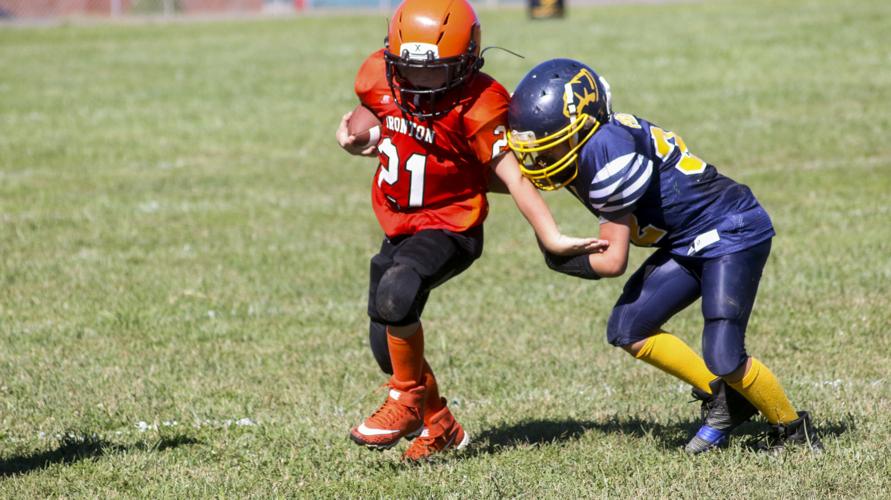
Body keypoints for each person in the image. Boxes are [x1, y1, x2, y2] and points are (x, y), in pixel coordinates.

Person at [506, 58, 822, 453]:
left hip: (730, 230)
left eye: (555, 145)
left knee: (724, 352)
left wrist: (556, 255)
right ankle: (728, 398)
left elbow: (611, 261)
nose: (544, 159)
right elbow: (512, 174)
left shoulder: (608, 152)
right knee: (629, 327)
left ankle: (792, 430)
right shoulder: (591, 144)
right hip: (687, 238)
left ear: (586, 127)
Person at [335, 2, 605, 461]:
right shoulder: (379, 76)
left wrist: (552, 236)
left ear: (465, 63)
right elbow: (370, 112)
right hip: (399, 221)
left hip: (450, 224)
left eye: (433, 72)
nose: (418, 85)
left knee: (397, 296)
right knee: (387, 334)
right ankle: (439, 424)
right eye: (408, 70)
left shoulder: (479, 103)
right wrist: (353, 133)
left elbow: (514, 176)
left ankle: (404, 401)